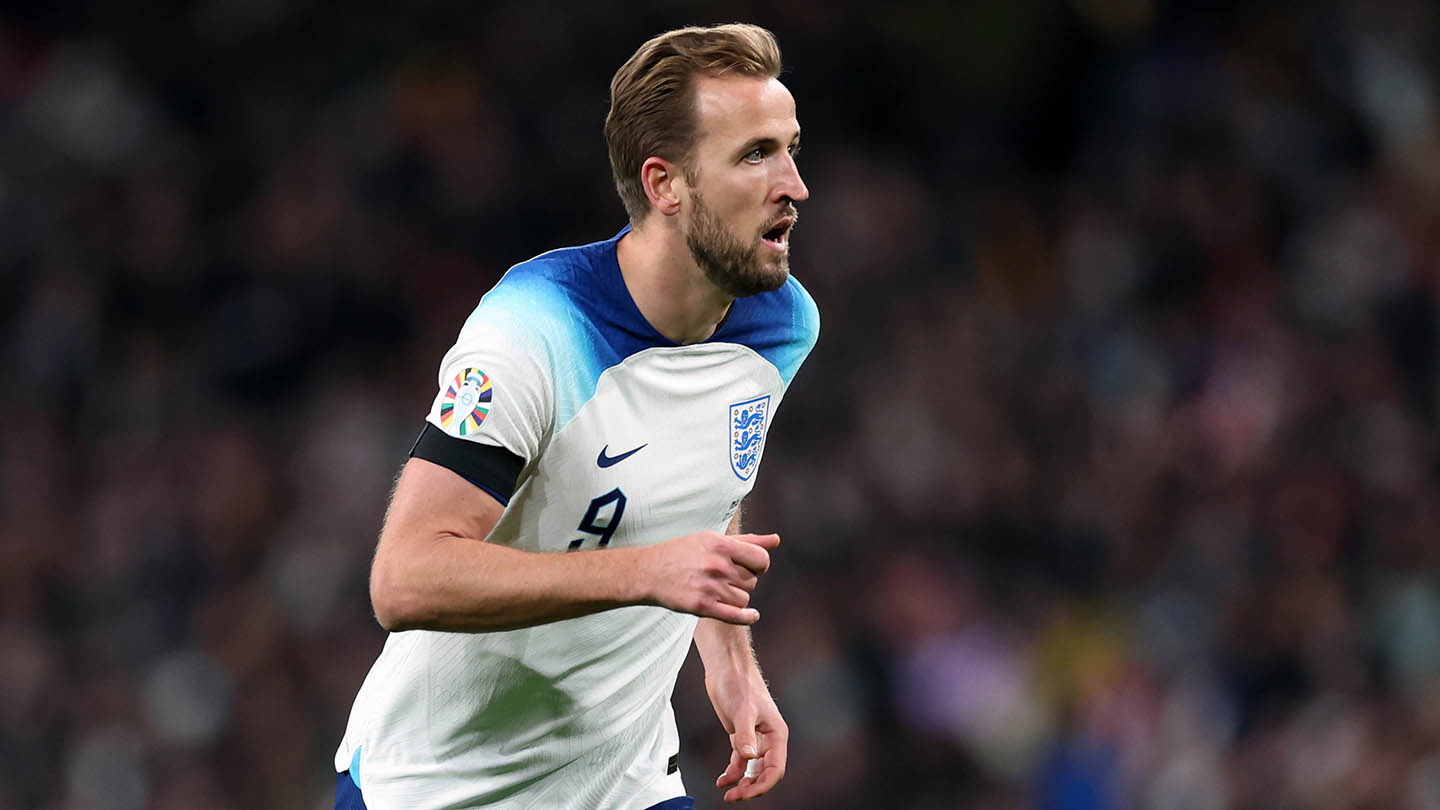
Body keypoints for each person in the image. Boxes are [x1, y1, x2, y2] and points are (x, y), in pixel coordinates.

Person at [331, 23, 818, 810]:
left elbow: (711, 472)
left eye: (791, 148)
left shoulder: (780, 324)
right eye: (756, 154)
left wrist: (730, 658)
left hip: (623, 783)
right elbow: (404, 576)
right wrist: (646, 572)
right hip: (440, 788)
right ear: (665, 186)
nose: (794, 184)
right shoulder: (531, 333)